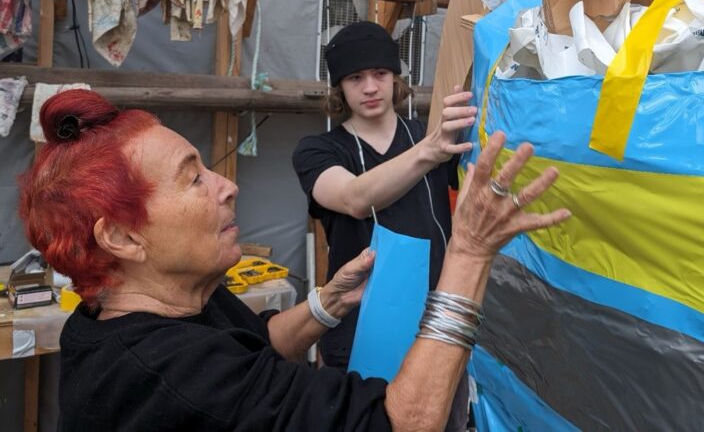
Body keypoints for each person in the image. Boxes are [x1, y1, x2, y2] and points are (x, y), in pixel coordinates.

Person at [18, 89, 569, 431]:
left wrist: (326, 305)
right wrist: (470, 253)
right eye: (192, 178)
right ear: (122, 237)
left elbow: (257, 344)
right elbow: (402, 423)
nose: (227, 186)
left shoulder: (160, 306)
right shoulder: (172, 376)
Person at [293, 21, 477, 419]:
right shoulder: (318, 150)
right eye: (355, 77)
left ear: (396, 77)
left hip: (435, 326)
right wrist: (432, 150)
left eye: (380, 74)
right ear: (339, 87)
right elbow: (354, 198)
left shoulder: (431, 138)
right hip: (358, 330)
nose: (371, 87)